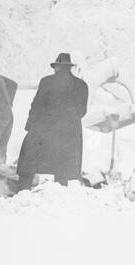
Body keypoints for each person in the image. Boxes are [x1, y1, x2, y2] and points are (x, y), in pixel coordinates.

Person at [16, 53, 89, 187]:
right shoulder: (81, 85)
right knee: (63, 166)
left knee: (28, 161)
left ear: (57, 67)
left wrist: (30, 125)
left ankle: (22, 189)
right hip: (70, 132)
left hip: (44, 128)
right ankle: (59, 193)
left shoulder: (47, 81)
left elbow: (37, 105)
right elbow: (82, 111)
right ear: (69, 67)